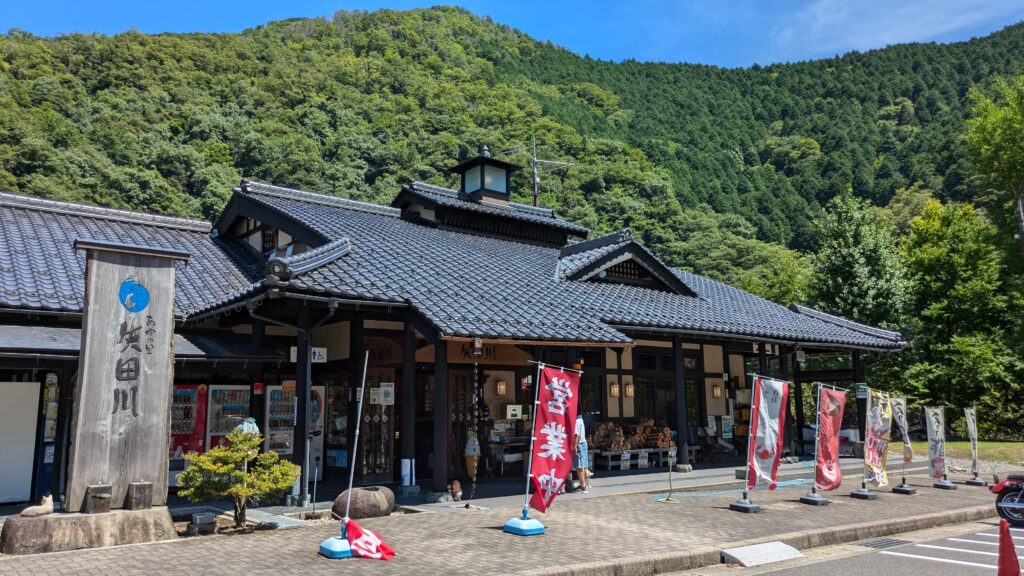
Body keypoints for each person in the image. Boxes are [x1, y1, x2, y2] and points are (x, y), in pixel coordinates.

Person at [573, 414, 589, 493]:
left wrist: (574, 445)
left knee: (579, 466)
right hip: (583, 442)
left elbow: (576, 435)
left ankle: (583, 486)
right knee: (582, 465)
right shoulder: (581, 419)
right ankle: (583, 484)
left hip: (579, 443)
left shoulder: (576, 420)